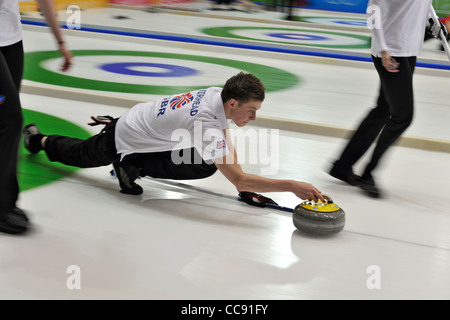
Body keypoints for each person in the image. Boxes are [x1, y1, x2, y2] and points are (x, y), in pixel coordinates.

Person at [23, 72, 326, 207]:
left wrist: (241, 183)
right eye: (252, 110)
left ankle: (133, 165)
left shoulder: (216, 95)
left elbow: (223, 139)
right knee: (80, 155)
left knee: (208, 160)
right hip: (124, 136)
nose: (254, 117)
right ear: (233, 104)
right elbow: (234, 170)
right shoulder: (206, 121)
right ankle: (37, 140)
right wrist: (289, 185)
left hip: (140, 124)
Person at [328, 0, 446, 198]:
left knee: (384, 108)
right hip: (391, 52)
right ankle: (368, 174)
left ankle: (343, 166)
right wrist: (383, 48)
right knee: (403, 116)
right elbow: (373, 10)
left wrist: (433, 22)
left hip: (409, 49)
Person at [0, 0, 73, 235]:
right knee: (9, 118)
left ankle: (4, 202)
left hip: (10, 41)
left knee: (3, 117)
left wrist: (60, 41)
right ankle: (2, 207)